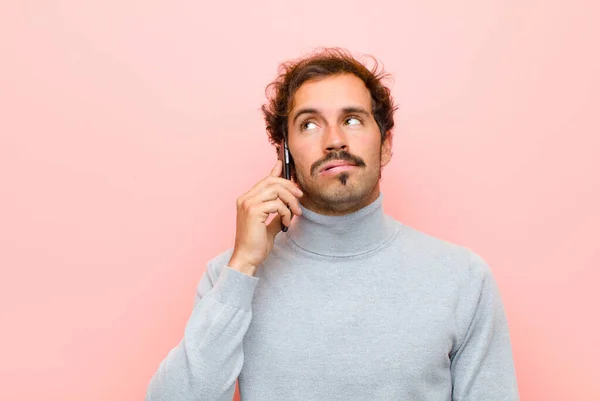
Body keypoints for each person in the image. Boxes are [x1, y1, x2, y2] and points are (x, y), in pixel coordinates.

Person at [145, 48, 519, 400]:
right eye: (309, 124)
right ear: (284, 153)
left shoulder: (462, 278)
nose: (334, 140)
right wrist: (243, 265)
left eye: (352, 119)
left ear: (385, 143)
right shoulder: (229, 278)